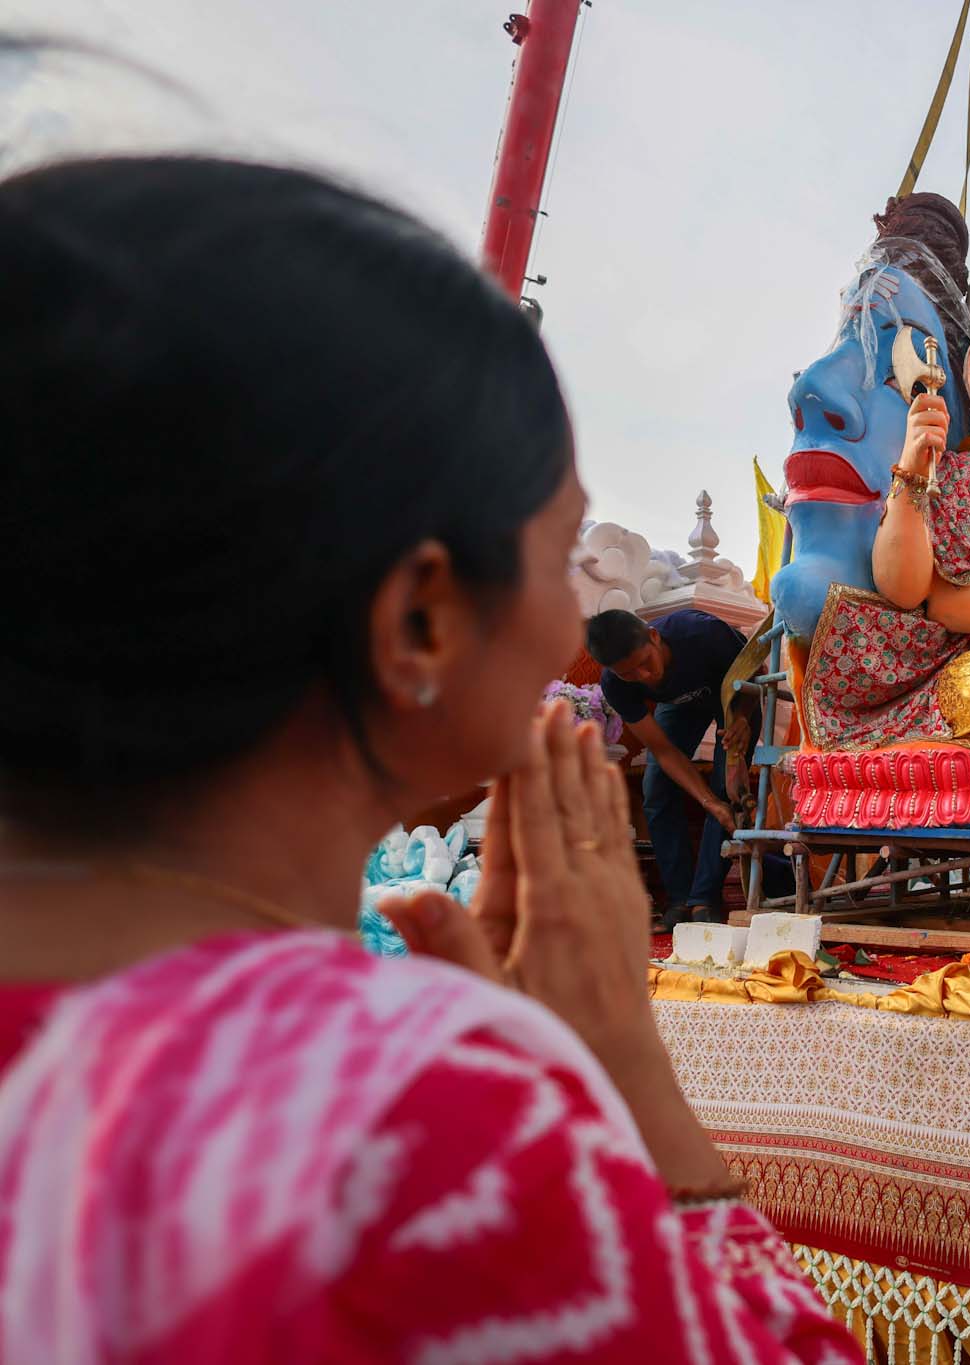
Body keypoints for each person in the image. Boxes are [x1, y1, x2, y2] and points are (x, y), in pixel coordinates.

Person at [0, 156, 858, 1363]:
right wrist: (617, 1074)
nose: (565, 631)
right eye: (559, 552)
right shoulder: (406, 1117)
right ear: (420, 623)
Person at [586, 606, 753, 928]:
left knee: (726, 784)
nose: (644, 677)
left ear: (654, 636)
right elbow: (663, 751)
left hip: (734, 698)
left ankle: (704, 900)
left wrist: (744, 717)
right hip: (680, 707)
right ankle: (679, 900)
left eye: (645, 663)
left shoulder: (701, 632)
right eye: (629, 674)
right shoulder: (615, 684)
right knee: (657, 788)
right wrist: (709, 804)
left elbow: (753, 672)